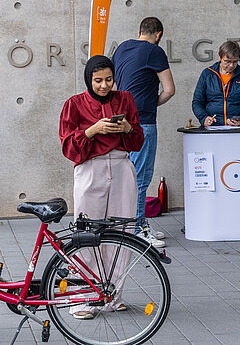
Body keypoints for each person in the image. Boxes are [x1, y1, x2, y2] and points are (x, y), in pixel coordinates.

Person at [59, 55, 144, 319]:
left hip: (121, 166)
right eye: (98, 80)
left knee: (122, 231)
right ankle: (81, 300)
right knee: (87, 233)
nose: (104, 85)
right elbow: (68, 147)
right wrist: (91, 130)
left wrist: (128, 127)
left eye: (109, 79)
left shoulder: (125, 100)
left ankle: (112, 294)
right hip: (90, 168)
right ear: (88, 80)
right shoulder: (73, 104)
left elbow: (138, 141)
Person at [112, 17, 175, 248]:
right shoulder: (154, 51)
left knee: (126, 176)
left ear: (139, 31)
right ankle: (137, 229)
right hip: (143, 122)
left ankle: (133, 224)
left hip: (121, 122)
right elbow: (169, 90)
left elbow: (115, 86)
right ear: (158, 35)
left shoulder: (121, 49)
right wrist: (149, 103)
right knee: (140, 177)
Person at [192, 41, 240, 127]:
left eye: (235, 62)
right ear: (219, 57)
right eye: (227, 61)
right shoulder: (207, 74)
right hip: (212, 127)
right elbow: (197, 102)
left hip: (237, 128)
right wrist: (204, 118)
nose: (231, 65)